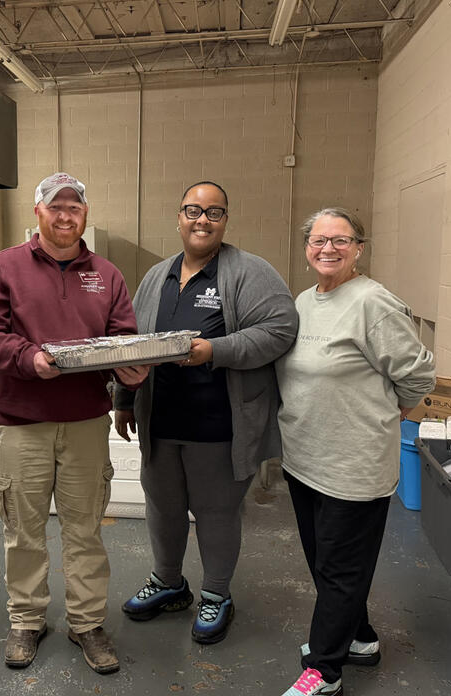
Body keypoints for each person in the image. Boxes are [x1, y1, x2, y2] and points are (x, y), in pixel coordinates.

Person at [0, 172, 149, 675]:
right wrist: (27, 357)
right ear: (38, 213)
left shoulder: (106, 275)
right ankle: (27, 619)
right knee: (23, 530)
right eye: (55, 207)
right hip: (21, 421)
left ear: (84, 214)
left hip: (85, 421)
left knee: (84, 529)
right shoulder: (4, 267)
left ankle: (87, 622)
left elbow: (122, 335)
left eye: (74, 207)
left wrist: (128, 368)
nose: (65, 216)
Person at [113, 180, 298, 643]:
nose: (202, 220)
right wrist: (124, 399)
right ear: (179, 218)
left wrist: (214, 350)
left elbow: (280, 328)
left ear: (225, 221)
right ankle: (168, 582)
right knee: (163, 507)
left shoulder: (250, 272)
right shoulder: (157, 277)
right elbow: (133, 341)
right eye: (193, 211)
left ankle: (216, 594)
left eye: (214, 212)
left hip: (219, 424)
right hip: (161, 419)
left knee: (216, 513)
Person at [275, 208, 435, 696]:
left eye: (341, 240)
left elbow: (418, 376)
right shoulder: (305, 301)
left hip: (353, 464)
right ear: (307, 247)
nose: (328, 248)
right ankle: (359, 638)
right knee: (325, 563)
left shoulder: (373, 302)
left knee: (341, 569)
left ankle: (325, 670)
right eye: (319, 240)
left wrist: (389, 413)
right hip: (304, 458)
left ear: (358, 248)